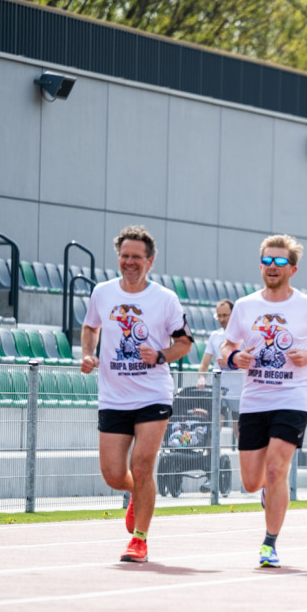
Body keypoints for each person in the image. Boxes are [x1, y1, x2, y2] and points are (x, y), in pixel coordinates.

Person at [221, 235, 307, 568]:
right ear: (261, 266)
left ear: (293, 269)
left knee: (276, 469)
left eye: (280, 261)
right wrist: (234, 358)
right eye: (267, 261)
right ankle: (267, 489)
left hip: (293, 396)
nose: (272, 267)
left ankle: (269, 544)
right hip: (254, 399)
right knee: (250, 482)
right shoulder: (245, 306)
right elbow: (226, 347)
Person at [81, 226, 193, 563]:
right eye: (124, 256)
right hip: (113, 396)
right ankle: (137, 493)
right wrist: (88, 353)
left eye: (137, 257)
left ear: (150, 261)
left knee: (142, 466)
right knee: (114, 475)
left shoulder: (165, 299)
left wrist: (160, 355)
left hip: (153, 395)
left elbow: (184, 343)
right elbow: (91, 326)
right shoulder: (103, 293)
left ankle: (139, 540)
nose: (130, 262)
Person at [198, 298, 242, 459]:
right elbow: (204, 364)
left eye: (225, 315)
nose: (222, 319)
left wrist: (232, 362)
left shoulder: (243, 337)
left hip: (239, 393)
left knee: (240, 433)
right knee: (214, 429)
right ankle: (213, 466)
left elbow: (251, 362)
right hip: (220, 391)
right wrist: (201, 378)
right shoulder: (215, 336)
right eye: (219, 316)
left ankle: (247, 471)